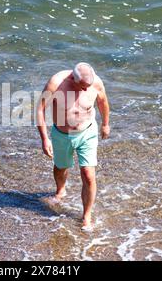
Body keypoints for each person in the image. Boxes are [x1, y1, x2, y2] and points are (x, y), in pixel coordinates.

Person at [36, 62, 110, 231]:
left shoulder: (95, 83)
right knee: (61, 167)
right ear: (72, 78)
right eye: (82, 87)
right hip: (62, 134)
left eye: (88, 87)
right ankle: (61, 191)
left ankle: (86, 215)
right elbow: (40, 110)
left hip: (87, 133)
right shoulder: (56, 83)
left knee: (88, 175)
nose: (85, 90)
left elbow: (103, 102)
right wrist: (44, 139)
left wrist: (105, 124)